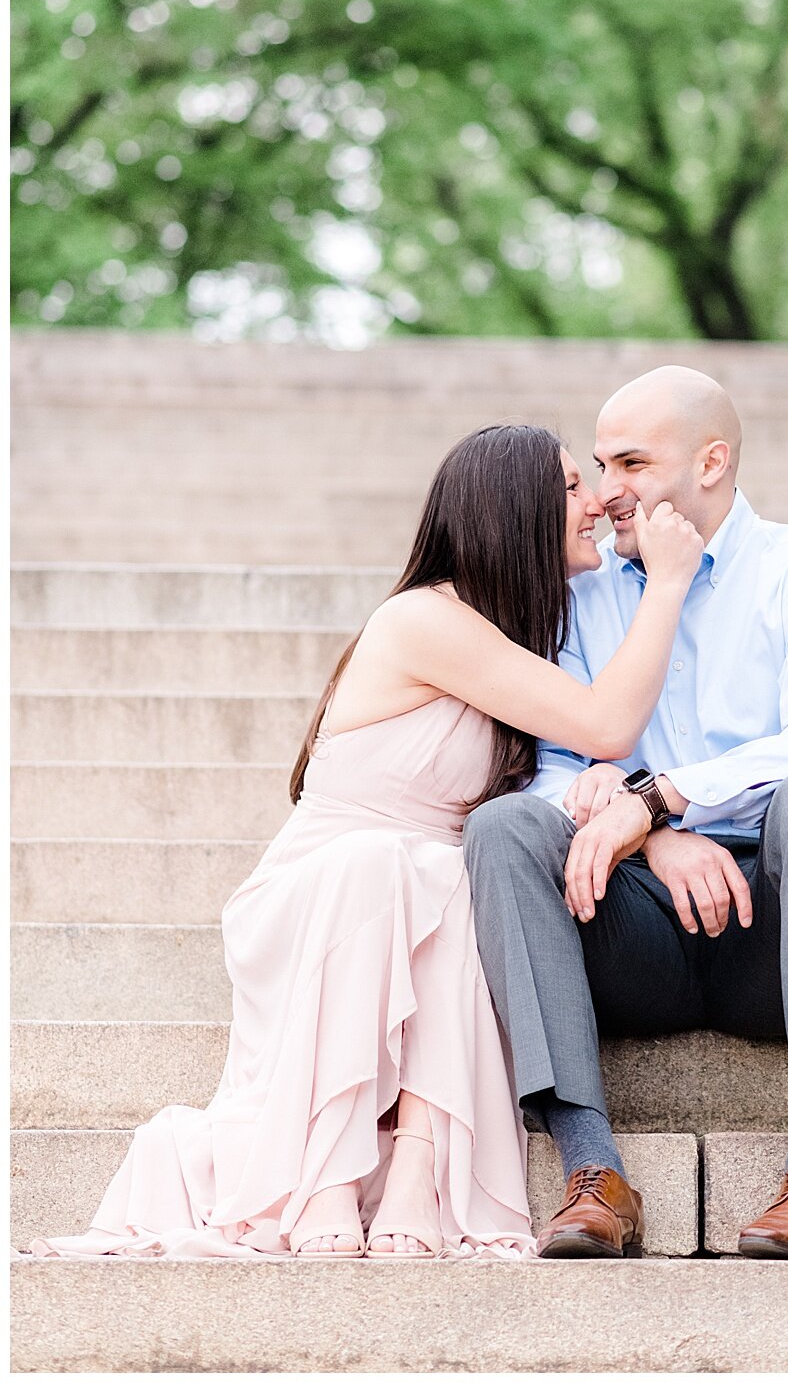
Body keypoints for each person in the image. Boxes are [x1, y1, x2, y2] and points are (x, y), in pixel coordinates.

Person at [30, 424, 702, 1261]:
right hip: (325, 894)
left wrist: (619, 801)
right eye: (573, 487)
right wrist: (669, 584)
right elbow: (606, 722)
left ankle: (416, 1163)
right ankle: (328, 1180)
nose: (600, 501)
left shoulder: (519, 643)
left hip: (419, 897)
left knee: (461, 867)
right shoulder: (424, 621)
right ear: (514, 509)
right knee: (397, 864)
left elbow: (579, 758)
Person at [465, 368, 788, 1262]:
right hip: (630, 929)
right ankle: (591, 1171)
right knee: (503, 826)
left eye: (631, 463)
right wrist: (658, 837)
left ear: (711, 463)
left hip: (771, 933)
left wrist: (663, 794)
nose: (605, 491)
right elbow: (554, 776)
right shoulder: (583, 597)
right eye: (599, 464)